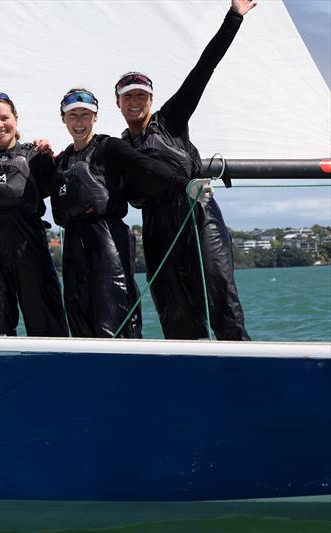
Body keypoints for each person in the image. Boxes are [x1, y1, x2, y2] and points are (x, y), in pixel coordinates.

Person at [115, 0, 254, 340]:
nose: (136, 102)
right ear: (118, 102)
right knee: (176, 315)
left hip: (197, 214)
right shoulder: (115, 149)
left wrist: (234, 17)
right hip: (157, 228)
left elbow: (204, 67)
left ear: (151, 99)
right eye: (128, 96)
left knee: (219, 298)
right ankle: (194, 378)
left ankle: (244, 374)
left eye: (142, 96)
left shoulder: (171, 118)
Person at [54, 88, 200, 338]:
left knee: (115, 318)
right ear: (63, 119)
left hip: (108, 240)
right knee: (80, 319)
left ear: (95, 117)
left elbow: (145, 164)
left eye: (85, 115)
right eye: (73, 115)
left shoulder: (110, 146)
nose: (79, 122)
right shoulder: (60, 161)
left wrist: (185, 183)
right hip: (74, 245)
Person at [0, 93, 67, 336]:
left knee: (44, 321)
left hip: (28, 244)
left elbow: (68, 179)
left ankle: (53, 369)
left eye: (4, 118)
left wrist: (50, 153)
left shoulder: (36, 157)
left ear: (16, 119)